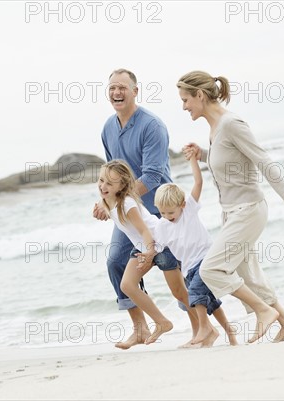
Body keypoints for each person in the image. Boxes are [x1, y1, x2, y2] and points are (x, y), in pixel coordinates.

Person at [177, 70, 284, 344]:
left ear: (200, 95)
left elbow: (262, 161)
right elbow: (229, 162)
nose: (184, 106)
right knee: (249, 275)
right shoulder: (215, 129)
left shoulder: (232, 123)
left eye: (186, 99)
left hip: (248, 210)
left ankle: (263, 311)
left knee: (211, 269)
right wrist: (201, 154)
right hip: (231, 212)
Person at [93, 69, 192, 349]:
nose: (117, 93)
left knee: (177, 272)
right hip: (128, 213)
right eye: (112, 88)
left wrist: (113, 200)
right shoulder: (108, 128)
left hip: (163, 211)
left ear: (136, 91)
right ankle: (139, 328)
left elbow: (152, 175)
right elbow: (112, 174)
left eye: (123, 87)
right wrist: (108, 200)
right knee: (115, 262)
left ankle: (201, 325)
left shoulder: (152, 126)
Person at [98, 160, 191, 345]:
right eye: (101, 180)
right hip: (143, 247)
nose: (103, 186)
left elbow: (145, 231)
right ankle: (162, 322)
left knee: (180, 292)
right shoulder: (108, 200)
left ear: (122, 185)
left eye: (109, 183)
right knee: (127, 285)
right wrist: (100, 209)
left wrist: (150, 253)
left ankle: (204, 327)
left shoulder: (127, 204)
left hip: (161, 245)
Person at [154, 149, 238, 347]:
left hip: (205, 258)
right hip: (188, 268)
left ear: (182, 205)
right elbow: (157, 247)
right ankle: (229, 333)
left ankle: (204, 329)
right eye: (162, 212)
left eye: (170, 212)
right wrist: (145, 256)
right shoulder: (162, 225)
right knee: (211, 303)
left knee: (194, 293)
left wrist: (193, 159)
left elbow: (198, 183)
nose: (166, 216)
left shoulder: (188, 211)